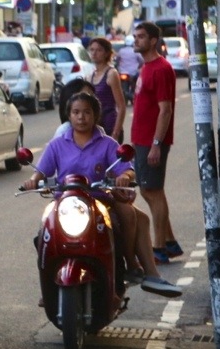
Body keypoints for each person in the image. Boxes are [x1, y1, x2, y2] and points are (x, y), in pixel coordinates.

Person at [22, 92, 180, 298]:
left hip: (100, 201)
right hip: (66, 204)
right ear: (69, 115)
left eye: (87, 112)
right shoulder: (56, 145)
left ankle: (130, 263)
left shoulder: (107, 144)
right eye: (76, 112)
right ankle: (49, 289)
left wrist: (124, 176)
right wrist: (33, 180)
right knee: (45, 234)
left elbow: (127, 169)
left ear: (96, 115)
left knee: (128, 217)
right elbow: (41, 171)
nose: (81, 117)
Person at [131, 21, 183, 265]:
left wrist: (156, 144)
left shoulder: (161, 69)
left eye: (141, 37)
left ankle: (159, 247)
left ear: (153, 41)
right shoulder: (147, 67)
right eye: (135, 36)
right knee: (150, 190)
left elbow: (165, 110)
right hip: (141, 139)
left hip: (152, 141)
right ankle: (170, 242)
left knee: (152, 191)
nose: (136, 40)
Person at [87, 37, 127, 141]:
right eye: (92, 49)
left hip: (110, 127)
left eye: (99, 50)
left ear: (106, 53)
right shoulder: (90, 76)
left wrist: (116, 132)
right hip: (95, 129)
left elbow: (121, 106)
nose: (94, 53)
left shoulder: (111, 73)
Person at [116, 39, 141, 105]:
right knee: (135, 86)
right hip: (134, 73)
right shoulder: (135, 51)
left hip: (123, 72)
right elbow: (141, 60)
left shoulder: (121, 51)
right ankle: (133, 97)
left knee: (123, 88)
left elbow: (117, 60)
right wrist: (139, 66)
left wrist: (118, 66)